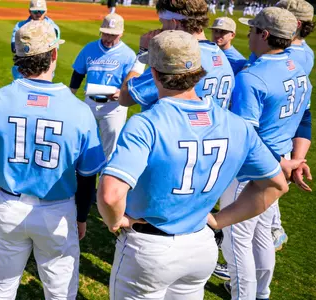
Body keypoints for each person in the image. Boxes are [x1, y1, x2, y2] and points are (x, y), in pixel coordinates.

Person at [97, 29, 290, 300]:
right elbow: (276, 185)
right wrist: (220, 220)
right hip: (201, 246)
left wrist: (116, 220)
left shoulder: (146, 123)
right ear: (200, 71)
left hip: (149, 248)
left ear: (154, 74)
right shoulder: (236, 125)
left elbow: (110, 194)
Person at [0, 20, 106, 300]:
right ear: (53, 55)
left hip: (10, 205)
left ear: (18, 58)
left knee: (1, 290)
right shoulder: (79, 111)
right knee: (60, 293)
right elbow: (87, 175)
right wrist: (81, 216)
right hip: (58, 212)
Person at [221, 8, 309, 299]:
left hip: (251, 170)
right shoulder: (299, 70)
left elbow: (247, 135)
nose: (248, 34)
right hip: (279, 163)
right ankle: (261, 293)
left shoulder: (253, 77)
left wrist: (282, 161)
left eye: (253, 29)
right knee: (261, 237)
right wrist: (290, 161)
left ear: (265, 34)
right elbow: (303, 120)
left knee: (236, 241)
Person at [119, 0, 235, 111]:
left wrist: (142, 53)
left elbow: (125, 97)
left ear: (174, 24)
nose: (160, 29)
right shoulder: (221, 56)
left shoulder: (176, 58)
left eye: (162, 23)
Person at [271, 0, 314, 251]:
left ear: (295, 24)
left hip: (273, 131)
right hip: (284, 129)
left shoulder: (288, 55)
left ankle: (274, 230)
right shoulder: (302, 50)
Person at [69, 13, 135, 159]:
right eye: (105, 34)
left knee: (110, 152)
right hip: (90, 103)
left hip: (114, 107)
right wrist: (70, 97)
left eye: (113, 35)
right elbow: (78, 74)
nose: (107, 39)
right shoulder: (89, 48)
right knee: (81, 144)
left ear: (121, 33)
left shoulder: (128, 55)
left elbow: (130, 83)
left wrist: (122, 93)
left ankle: (104, 180)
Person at [10, 0, 59, 79]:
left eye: (41, 11)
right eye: (35, 11)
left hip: (44, 72)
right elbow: (14, 48)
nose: (39, 14)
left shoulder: (53, 27)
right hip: (22, 72)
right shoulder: (20, 26)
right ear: (29, 11)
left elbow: (53, 51)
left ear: (46, 11)